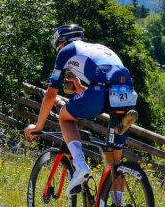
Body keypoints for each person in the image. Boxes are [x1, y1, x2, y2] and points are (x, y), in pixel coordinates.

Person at [24, 24, 137, 197]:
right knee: (114, 161)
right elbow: (106, 87)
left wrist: (38, 127)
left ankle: (80, 165)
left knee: (65, 117)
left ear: (62, 43)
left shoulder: (66, 51)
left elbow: (50, 95)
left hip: (100, 90)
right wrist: (81, 90)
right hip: (126, 93)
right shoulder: (97, 48)